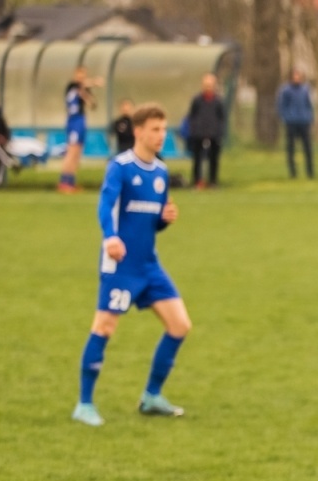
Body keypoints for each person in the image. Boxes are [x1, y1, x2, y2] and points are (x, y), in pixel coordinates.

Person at [73, 103, 191, 426]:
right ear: (138, 131)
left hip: (148, 265)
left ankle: (151, 397)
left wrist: (165, 220)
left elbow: (151, 222)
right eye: (155, 129)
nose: (161, 136)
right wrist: (110, 237)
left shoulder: (162, 172)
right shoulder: (120, 167)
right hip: (120, 265)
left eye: (164, 129)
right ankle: (84, 404)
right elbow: (105, 205)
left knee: (180, 325)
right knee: (104, 327)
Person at [57, 65, 98, 194]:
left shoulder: (83, 90)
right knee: (71, 151)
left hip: (81, 120)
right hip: (73, 121)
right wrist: (94, 82)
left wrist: (86, 94)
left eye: (83, 75)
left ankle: (71, 182)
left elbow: (93, 104)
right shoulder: (72, 86)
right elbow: (80, 86)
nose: (81, 77)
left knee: (77, 153)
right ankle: (64, 182)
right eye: (79, 74)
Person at [186, 74, 226, 189]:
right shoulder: (197, 100)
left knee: (214, 159)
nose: (208, 87)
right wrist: (194, 129)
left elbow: (221, 117)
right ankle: (197, 181)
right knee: (197, 159)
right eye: (206, 85)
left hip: (214, 134)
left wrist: (219, 131)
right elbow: (192, 116)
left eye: (210, 85)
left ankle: (213, 181)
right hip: (198, 134)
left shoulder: (218, 101)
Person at [278, 69, 315, 179]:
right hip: (291, 122)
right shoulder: (286, 90)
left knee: (307, 148)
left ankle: (310, 173)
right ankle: (293, 173)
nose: (297, 78)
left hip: (304, 121)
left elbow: (309, 104)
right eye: (295, 76)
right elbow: (281, 106)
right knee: (291, 149)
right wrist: (286, 117)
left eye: (298, 76)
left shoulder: (305, 90)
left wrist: (309, 117)